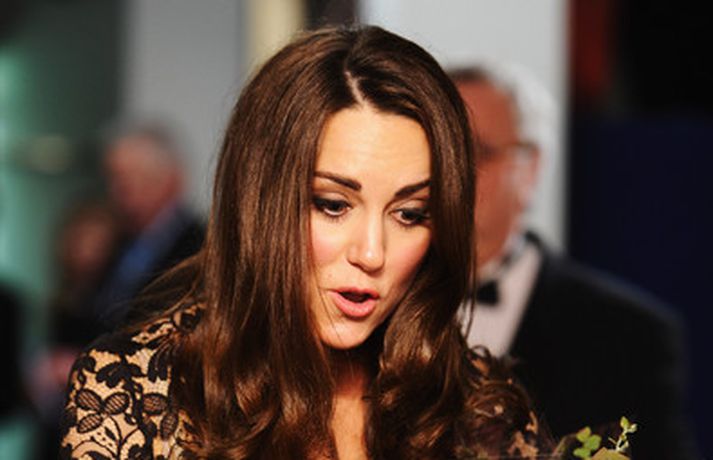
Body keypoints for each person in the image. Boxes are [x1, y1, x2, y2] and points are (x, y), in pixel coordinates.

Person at [60, 26, 553, 459]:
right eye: (333, 205)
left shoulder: (478, 407)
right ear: (261, 200)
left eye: (409, 214)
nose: (371, 254)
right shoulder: (138, 391)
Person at [451, 64, 697, 459]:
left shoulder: (629, 337)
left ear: (530, 168)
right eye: (438, 150)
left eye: (478, 151)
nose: (453, 171)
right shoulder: (374, 309)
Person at [89, 122, 204, 333]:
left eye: (133, 178)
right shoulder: (114, 242)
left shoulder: (201, 247)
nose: (118, 190)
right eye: (113, 179)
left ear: (171, 180)